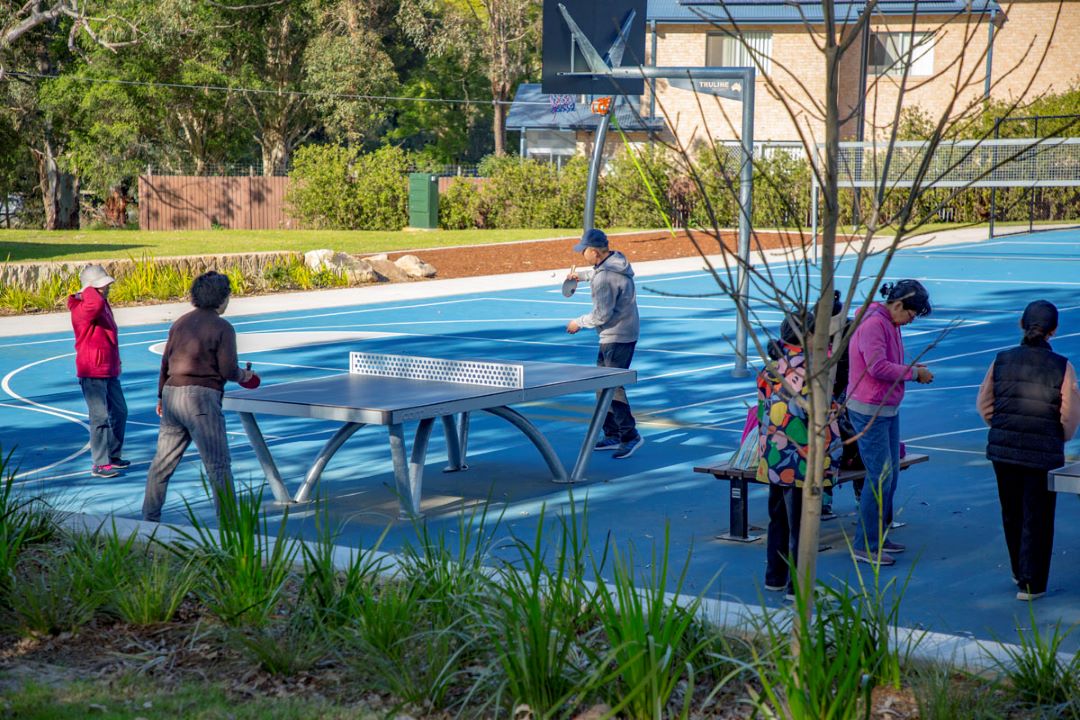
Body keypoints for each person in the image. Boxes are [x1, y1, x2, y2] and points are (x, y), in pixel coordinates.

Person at [976, 300, 1080, 601]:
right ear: (1054, 331)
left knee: (1011, 511)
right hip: (1043, 450)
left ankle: (1017, 570)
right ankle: (1031, 582)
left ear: (1021, 324)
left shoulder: (1002, 359)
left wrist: (1001, 426)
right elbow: (1069, 414)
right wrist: (1058, 437)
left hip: (1004, 448)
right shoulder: (1062, 365)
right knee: (1039, 515)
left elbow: (985, 403)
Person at [142, 271, 260, 522]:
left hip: (172, 394)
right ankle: (229, 527)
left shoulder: (181, 323)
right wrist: (245, 376)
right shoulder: (223, 328)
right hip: (201, 400)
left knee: (162, 464)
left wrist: (161, 397)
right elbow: (228, 370)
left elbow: (165, 362)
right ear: (222, 298)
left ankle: (148, 519)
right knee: (218, 465)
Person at [846, 279, 934, 566]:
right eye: (910, 314)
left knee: (890, 473)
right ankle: (865, 544)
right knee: (880, 476)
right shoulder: (874, 324)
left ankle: (878, 535)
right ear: (897, 305)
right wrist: (914, 373)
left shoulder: (888, 323)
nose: (910, 320)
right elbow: (877, 366)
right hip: (869, 408)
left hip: (886, 408)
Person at [758, 312, 842, 598]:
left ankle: (775, 576)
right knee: (802, 525)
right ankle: (798, 585)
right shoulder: (808, 370)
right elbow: (807, 413)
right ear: (807, 336)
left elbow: (765, 409)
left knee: (778, 519)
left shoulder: (772, 367)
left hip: (773, 455)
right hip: (801, 457)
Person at [565, 228, 642, 459]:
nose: (581, 255)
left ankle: (630, 435)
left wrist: (578, 323)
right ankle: (613, 433)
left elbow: (601, 315)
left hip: (616, 335)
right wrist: (583, 276)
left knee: (612, 387)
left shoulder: (604, 278)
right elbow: (601, 273)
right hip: (623, 332)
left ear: (595, 252)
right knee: (602, 385)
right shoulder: (616, 263)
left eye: (584, 251)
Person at [68, 264, 129, 478]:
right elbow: (93, 305)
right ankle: (100, 463)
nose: (106, 289)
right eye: (101, 287)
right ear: (91, 290)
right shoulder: (82, 308)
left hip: (109, 370)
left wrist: (117, 364)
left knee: (120, 412)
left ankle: (113, 455)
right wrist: (89, 289)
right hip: (91, 371)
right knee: (99, 417)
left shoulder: (102, 304)